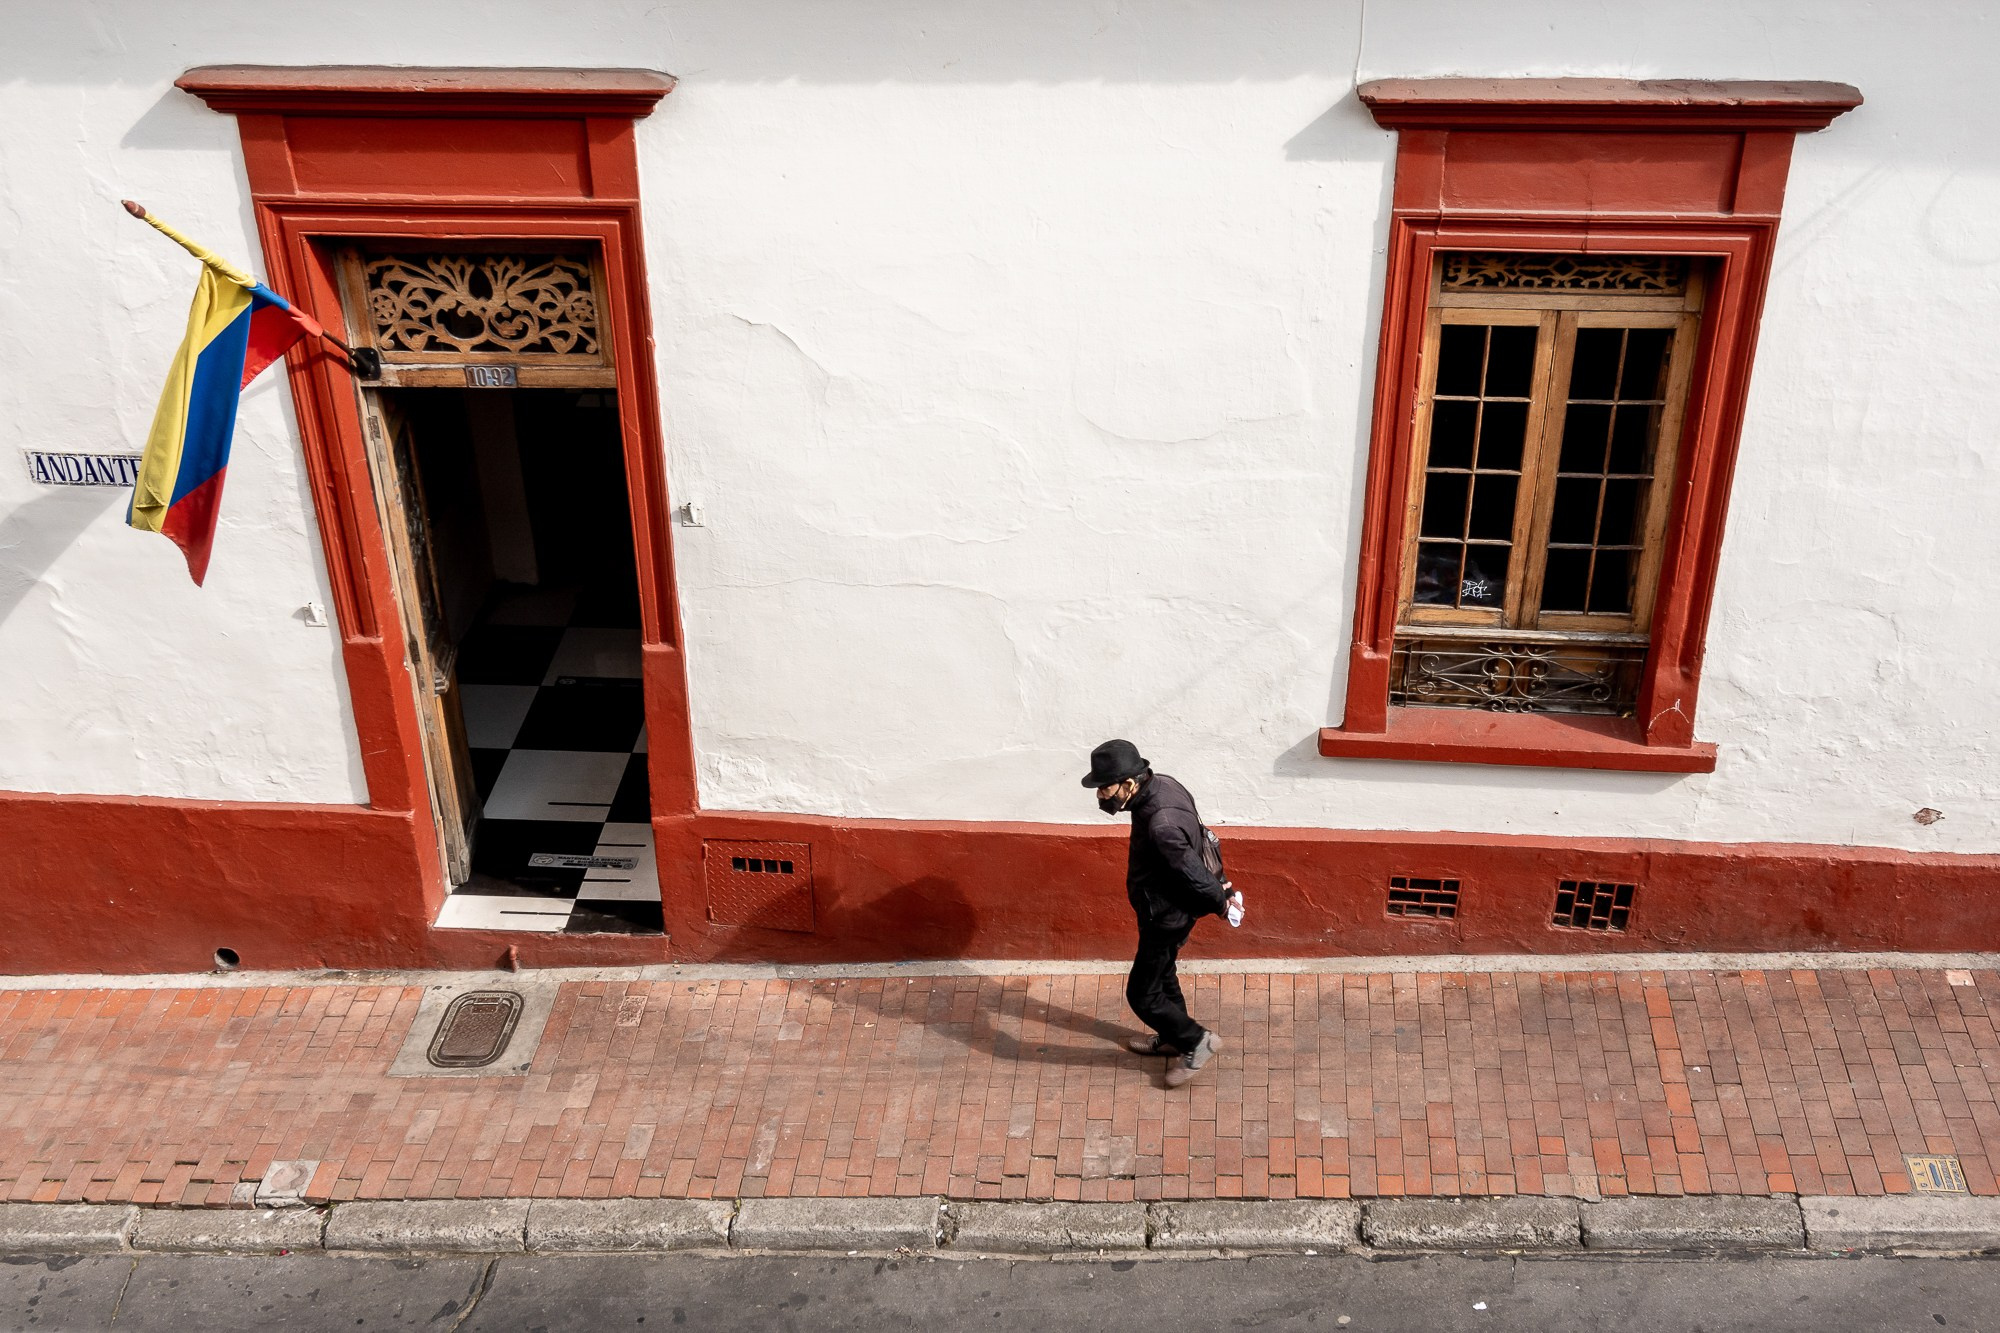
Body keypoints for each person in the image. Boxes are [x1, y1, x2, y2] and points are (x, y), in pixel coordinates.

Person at [1083, 739, 1239, 1088]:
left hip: (1165, 916)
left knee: (1142, 994)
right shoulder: (1164, 784)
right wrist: (1223, 885)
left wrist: (1220, 900)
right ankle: (1173, 1038)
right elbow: (1203, 839)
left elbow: (1190, 870)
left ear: (1129, 784)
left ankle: (1196, 1041)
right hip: (1164, 910)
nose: (1100, 796)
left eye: (1105, 788)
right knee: (1164, 972)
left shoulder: (1161, 824)